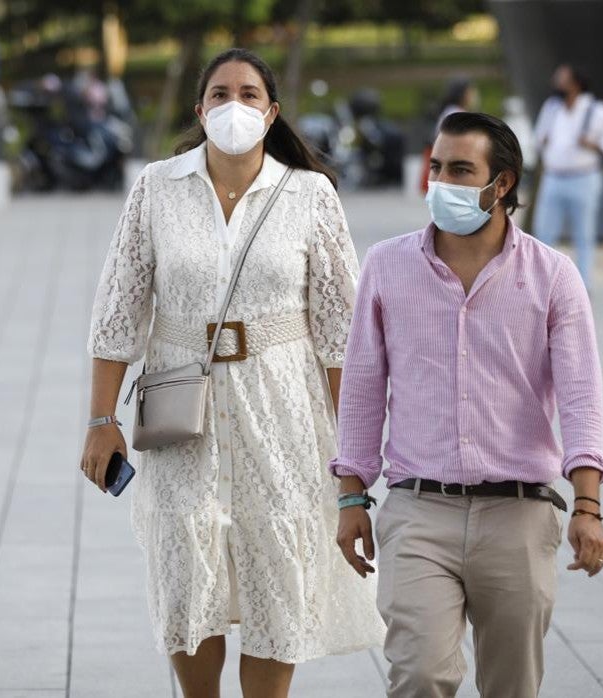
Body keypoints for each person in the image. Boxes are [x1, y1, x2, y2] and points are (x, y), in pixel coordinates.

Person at [82, 48, 385, 698]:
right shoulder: (157, 188)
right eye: (220, 94)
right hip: (180, 416)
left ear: (272, 113)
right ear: (200, 110)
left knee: (277, 588)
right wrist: (101, 419)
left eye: (249, 94)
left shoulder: (310, 195)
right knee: (188, 581)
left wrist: (353, 462)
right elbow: (117, 313)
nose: (234, 105)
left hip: (282, 419)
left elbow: (342, 338)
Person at [333, 112, 603, 698]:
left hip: (519, 515)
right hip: (418, 511)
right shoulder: (386, 265)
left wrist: (588, 507)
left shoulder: (553, 276)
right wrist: (352, 497)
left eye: (461, 170)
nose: (441, 182)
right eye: (436, 167)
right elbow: (362, 386)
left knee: (512, 686)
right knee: (420, 676)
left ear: (501, 183)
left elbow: (581, 396)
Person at [532, 64, 603, 290]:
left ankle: (583, 287)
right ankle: (542, 285)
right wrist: (542, 142)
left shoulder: (597, 110)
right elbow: (537, 138)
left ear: (576, 84)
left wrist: (595, 145)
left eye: (562, 80)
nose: (556, 84)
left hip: (583, 178)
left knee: (583, 235)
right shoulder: (551, 108)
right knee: (544, 233)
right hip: (553, 177)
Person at [420, 77, 479, 195]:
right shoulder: (456, 114)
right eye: (471, 91)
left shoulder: (451, 111)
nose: (474, 95)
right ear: (463, 94)